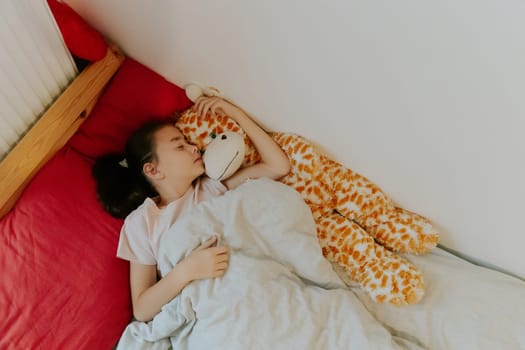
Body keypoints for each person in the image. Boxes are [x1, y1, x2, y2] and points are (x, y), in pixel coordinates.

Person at [93, 96, 290, 322]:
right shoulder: (143, 221)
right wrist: (187, 271)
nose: (194, 147)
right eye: (180, 146)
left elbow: (278, 166)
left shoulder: (212, 188)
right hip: (206, 309)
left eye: (187, 141)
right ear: (153, 170)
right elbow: (142, 309)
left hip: (248, 287)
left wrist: (235, 113)